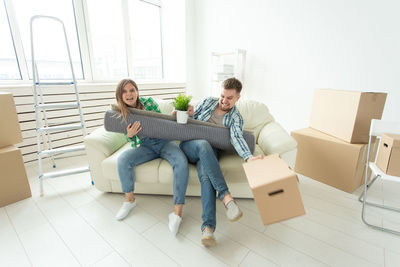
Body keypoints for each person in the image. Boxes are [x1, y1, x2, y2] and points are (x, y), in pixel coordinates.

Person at [179, 77, 263, 247]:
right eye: (222, 96)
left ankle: (208, 229)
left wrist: (248, 157)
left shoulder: (236, 118)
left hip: (210, 154)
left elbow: (237, 138)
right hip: (190, 146)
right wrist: (187, 113)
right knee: (203, 144)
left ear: (238, 98)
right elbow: (192, 116)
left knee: (207, 178)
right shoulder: (208, 102)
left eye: (229, 98)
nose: (224, 101)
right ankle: (225, 196)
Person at [114, 78, 189, 236]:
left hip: (163, 141)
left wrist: (172, 116)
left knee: (181, 162)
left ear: (137, 91)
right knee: (122, 159)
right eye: (125, 92)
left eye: (132, 90)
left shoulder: (148, 102)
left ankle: (176, 213)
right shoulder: (121, 113)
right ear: (120, 96)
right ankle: (129, 201)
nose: (129, 94)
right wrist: (129, 136)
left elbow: (162, 123)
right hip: (145, 145)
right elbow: (131, 140)